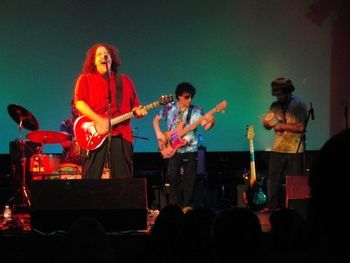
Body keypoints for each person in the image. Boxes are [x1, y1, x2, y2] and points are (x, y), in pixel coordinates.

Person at [73, 43, 147, 179]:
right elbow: (79, 103)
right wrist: (99, 120)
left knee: (123, 180)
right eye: (99, 54)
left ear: (112, 59)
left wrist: (139, 110)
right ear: (93, 61)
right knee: (90, 178)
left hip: (121, 134)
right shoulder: (85, 79)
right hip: (95, 133)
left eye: (107, 54)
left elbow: (135, 106)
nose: (104, 56)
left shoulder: (124, 80)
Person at [152, 82, 215, 211]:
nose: (189, 99)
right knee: (173, 180)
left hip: (190, 150)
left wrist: (212, 120)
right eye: (187, 97)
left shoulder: (196, 110)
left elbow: (206, 127)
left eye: (191, 97)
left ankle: (188, 208)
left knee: (189, 181)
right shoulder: (169, 108)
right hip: (172, 149)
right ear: (179, 96)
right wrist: (159, 134)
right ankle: (176, 208)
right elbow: (155, 120)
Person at [260, 77, 307, 213]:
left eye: (280, 93)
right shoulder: (275, 105)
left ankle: (294, 208)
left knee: (294, 179)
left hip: (295, 147)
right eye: (276, 94)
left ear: (287, 92)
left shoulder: (298, 105)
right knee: (272, 178)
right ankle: (271, 206)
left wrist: (282, 125)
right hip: (278, 146)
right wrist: (266, 122)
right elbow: (270, 126)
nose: (278, 97)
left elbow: (301, 127)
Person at [60, 99, 81, 164]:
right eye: (74, 107)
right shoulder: (66, 123)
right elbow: (64, 143)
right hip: (69, 158)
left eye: (78, 107)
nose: (76, 109)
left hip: (87, 157)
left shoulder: (89, 123)